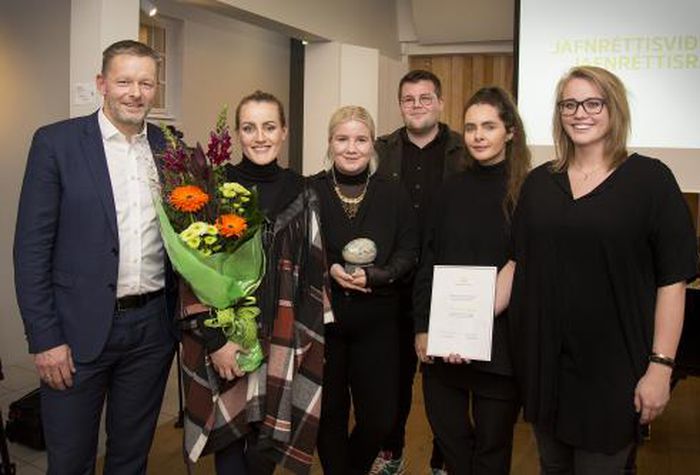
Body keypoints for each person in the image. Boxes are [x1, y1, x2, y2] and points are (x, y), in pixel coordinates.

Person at [508, 65, 698, 474]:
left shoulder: (651, 181)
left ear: (614, 110)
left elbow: (672, 281)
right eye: (569, 104)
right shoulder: (539, 184)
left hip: (613, 374)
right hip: (545, 370)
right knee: (552, 468)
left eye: (593, 103)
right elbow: (518, 265)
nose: (581, 113)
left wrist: (660, 367)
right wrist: (457, 321)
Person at [13, 40, 177, 474]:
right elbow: (30, 250)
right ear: (102, 84)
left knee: (130, 459)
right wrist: (44, 338)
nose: (135, 92)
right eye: (124, 81)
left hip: (151, 332)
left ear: (155, 89)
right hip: (75, 333)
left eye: (146, 83)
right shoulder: (56, 143)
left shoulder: (168, 146)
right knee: (69, 462)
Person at [178, 90, 330, 475]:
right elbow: (192, 275)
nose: (259, 137)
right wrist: (217, 342)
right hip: (226, 344)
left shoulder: (303, 190)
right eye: (249, 128)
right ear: (237, 134)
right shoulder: (211, 188)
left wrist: (298, 345)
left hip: (280, 342)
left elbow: (314, 273)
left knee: (263, 453)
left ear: (283, 132)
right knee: (229, 449)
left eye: (268, 127)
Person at [413, 86, 530, 474]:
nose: (478, 136)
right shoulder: (449, 189)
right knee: (453, 447)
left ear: (509, 132)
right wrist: (423, 328)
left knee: (491, 453)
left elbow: (525, 268)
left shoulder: (527, 192)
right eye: (471, 127)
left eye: (489, 126)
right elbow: (428, 260)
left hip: (500, 350)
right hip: (443, 343)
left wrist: (473, 325)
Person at [312, 106, 419, 474]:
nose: (352, 148)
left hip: (379, 322)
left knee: (381, 418)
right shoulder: (311, 190)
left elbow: (409, 250)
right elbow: (299, 252)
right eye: (342, 139)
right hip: (324, 325)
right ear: (330, 143)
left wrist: (378, 275)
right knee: (329, 416)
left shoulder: (393, 192)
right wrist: (330, 269)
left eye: (360, 139)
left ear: (372, 144)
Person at [372, 69, 466, 474]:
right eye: (408, 99)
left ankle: (443, 461)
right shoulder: (382, 149)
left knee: (445, 385)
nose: (416, 106)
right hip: (393, 282)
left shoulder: (463, 150)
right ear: (400, 105)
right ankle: (391, 452)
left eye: (425, 98)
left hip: (446, 283)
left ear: (440, 103)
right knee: (391, 380)